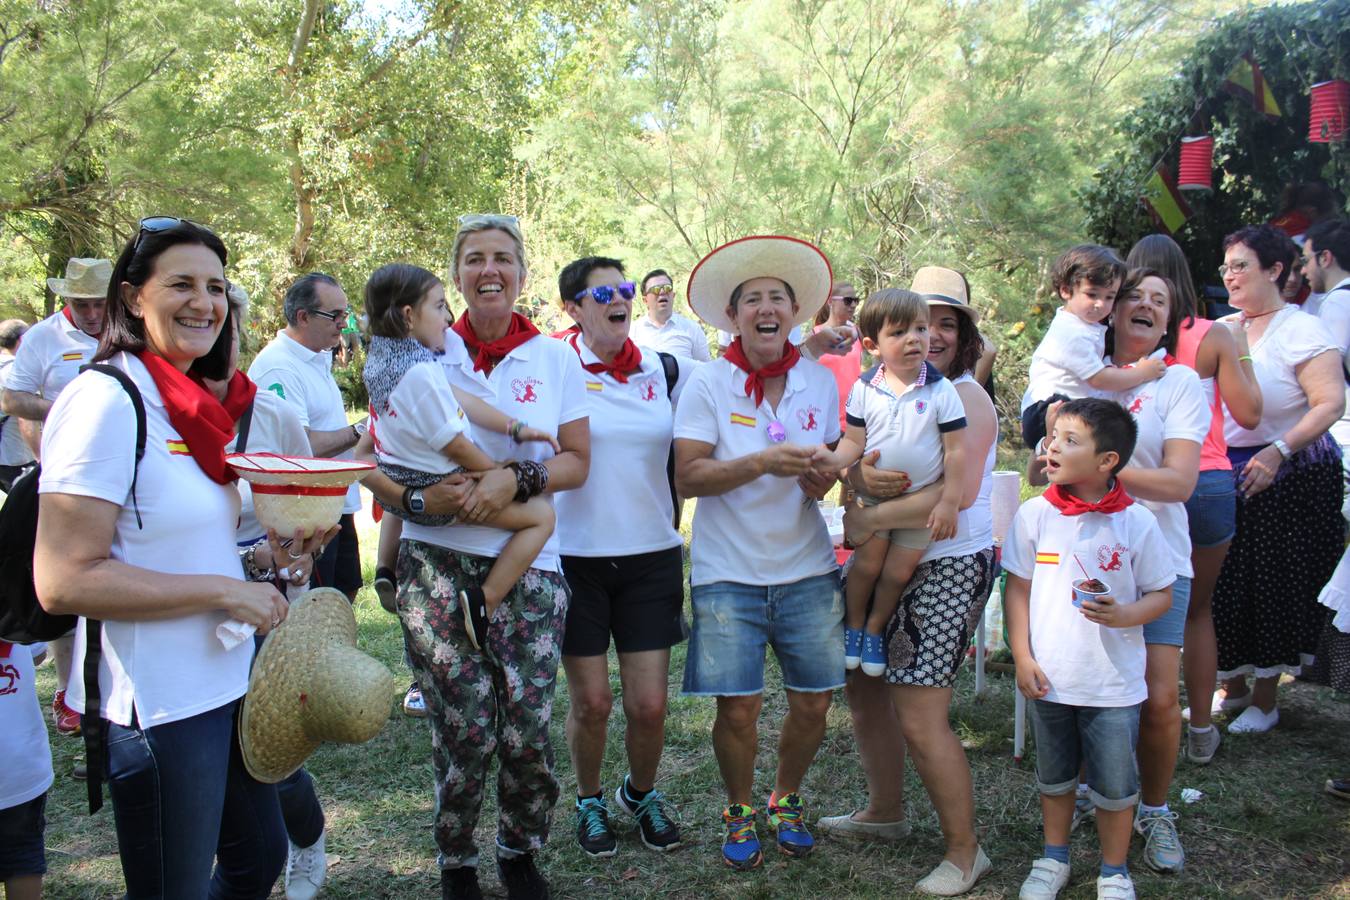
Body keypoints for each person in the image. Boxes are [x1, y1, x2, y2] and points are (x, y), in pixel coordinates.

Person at [33, 217, 291, 898]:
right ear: (132, 296)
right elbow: (62, 580)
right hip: (157, 708)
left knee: (259, 861)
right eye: (180, 284)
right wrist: (222, 592)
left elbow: (181, 538)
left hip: (228, 684)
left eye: (215, 286)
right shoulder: (104, 401)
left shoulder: (189, 403)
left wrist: (261, 559)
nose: (203, 302)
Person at [368, 214, 589, 900]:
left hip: (530, 568)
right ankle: (456, 862)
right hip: (435, 565)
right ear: (455, 273)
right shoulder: (421, 353)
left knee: (525, 726)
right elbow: (381, 462)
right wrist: (402, 529)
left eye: (502, 258)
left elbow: (577, 461)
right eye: (473, 259)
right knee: (461, 728)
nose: (489, 269)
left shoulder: (556, 358)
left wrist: (514, 478)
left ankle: (520, 849)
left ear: (522, 273)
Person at [818, 266, 997, 897]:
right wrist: (855, 481)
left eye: (946, 323)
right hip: (887, 550)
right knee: (864, 689)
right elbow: (861, 462)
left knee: (921, 712)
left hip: (947, 563)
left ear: (964, 333)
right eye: (921, 324)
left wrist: (863, 512)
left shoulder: (963, 396)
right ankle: (885, 810)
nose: (932, 335)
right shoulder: (879, 389)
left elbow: (958, 492)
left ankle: (965, 852)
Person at [673, 234, 842, 870]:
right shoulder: (707, 384)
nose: (765, 308)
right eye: (752, 300)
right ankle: (740, 809)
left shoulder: (819, 383)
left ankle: (787, 798)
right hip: (727, 573)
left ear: (794, 315)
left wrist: (820, 476)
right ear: (734, 316)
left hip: (807, 567)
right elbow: (687, 477)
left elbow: (827, 462)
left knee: (814, 700)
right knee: (739, 708)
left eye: (777, 298)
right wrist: (763, 460)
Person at [1032, 269, 1208, 874]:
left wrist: (1096, 472)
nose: (1145, 306)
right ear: (1111, 308)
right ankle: (1091, 795)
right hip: (1077, 561)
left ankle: (1154, 810)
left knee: (1158, 700)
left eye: (1160, 302)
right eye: (1135, 296)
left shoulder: (1178, 381)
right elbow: (1043, 469)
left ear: (1168, 319)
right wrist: (1052, 462)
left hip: (1158, 556)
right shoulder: (1085, 375)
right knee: (1081, 688)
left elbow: (1181, 483)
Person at [1005, 398, 1175, 900]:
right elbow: (1017, 588)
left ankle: (1114, 870)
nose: (1052, 446)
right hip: (1050, 679)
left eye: (1069, 440)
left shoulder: (1137, 522)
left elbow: (1161, 594)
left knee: (1116, 786)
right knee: (1056, 778)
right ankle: (1053, 858)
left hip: (1114, 686)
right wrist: (1022, 655)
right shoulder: (1035, 514)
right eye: (1053, 436)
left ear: (1108, 462)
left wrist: (1126, 615)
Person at [552, 255, 688, 858]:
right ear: (574, 308)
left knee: (649, 705)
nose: (620, 299)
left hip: (652, 555)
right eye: (602, 291)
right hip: (574, 558)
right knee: (593, 702)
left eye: (624, 289)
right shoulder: (555, 368)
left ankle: (640, 793)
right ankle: (588, 800)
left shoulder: (662, 368)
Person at [363, 262, 558, 648]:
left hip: (403, 484)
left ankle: (385, 568)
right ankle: (484, 601)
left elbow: (457, 395)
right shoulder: (417, 372)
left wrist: (514, 427)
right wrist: (497, 472)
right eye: (438, 306)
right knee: (541, 517)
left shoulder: (387, 359)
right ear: (408, 316)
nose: (448, 318)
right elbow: (452, 442)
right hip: (441, 490)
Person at [1124, 234, 1263, 763]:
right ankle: (1201, 730)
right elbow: (1249, 413)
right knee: (1196, 611)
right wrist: (1240, 348)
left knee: (1135, 610)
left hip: (1141, 482)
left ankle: (1133, 723)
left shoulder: (1117, 349)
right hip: (1205, 483)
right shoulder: (1214, 335)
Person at [1210, 225, 1346, 734]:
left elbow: (1330, 402)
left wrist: (1279, 451)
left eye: (1241, 264)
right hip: (1232, 468)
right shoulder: (1223, 327)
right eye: (1226, 266)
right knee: (1226, 582)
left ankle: (1265, 698)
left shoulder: (1304, 330)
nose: (1230, 274)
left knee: (1273, 583)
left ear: (1275, 270)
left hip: (1293, 470)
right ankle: (1232, 687)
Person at [816, 289, 967, 677]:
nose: (915, 338)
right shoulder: (864, 389)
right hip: (871, 498)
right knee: (867, 566)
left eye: (920, 328)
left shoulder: (941, 390)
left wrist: (948, 503)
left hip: (920, 504)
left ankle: (875, 628)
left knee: (898, 573)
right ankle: (853, 626)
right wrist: (835, 461)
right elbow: (853, 441)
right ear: (872, 345)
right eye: (899, 332)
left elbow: (955, 453)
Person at [2, 257, 111, 739]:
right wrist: (64, 407)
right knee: (69, 593)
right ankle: (70, 694)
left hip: (123, 475)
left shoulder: (131, 332)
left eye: (98, 304)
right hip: (66, 478)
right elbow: (13, 398)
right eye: (80, 304)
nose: (90, 314)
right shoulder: (44, 338)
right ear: (66, 299)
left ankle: (110, 691)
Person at [248, 273, 366, 603]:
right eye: (336, 315)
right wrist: (361, 430)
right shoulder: (279, 367)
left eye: (346, 313)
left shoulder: (316, 357)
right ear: (303, 317)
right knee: (314, 605)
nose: (344, 323)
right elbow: (298, 448)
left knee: (342, 595)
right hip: (302, 516)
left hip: (331, 507)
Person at [1019, 245, 1164, 448]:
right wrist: (1142, 372)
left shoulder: (1083, 325)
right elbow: (1099, 379)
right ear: (1065, 290)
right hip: (1048, 409)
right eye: (1092, 294)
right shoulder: (1071, 333)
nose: (1100, 304)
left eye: (1109, 297)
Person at [1300, 219, 1350, 518]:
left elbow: (1324, 372)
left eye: (1306, 261)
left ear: (1325, 258)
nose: (1303, 271)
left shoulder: (1337, 303)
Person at [0, 640, 52, 900]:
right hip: (20, 766)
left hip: (20, 767)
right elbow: (39, 653)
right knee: (22, 857)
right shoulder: (13, 602)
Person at [630, 268, 712, 360]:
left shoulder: (692, 329)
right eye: (655, 289)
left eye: (667, 288)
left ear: (673, 295)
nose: (662, 292)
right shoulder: (632, 332)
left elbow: (705, 369)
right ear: (645, 300)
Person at [812, 281, 863, 431]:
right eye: (848, 300)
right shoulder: (814, 336)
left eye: (856, 300)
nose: (853, 305)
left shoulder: (858, 332)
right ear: (830, 301)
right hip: (825, 420)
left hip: (855, 417)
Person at [0, 319, 35, 491]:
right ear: (21, 340)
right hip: (15, 457)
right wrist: (40, 456)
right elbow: (25, 418)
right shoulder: (17, 372)